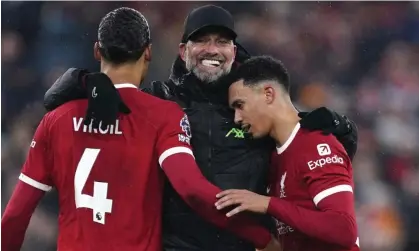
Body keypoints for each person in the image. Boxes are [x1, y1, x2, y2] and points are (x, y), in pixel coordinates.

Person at [42, 5, 358, 251]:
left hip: (246, 247)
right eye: (201, 40)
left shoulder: (253, 109)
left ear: (234, 51)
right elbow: (55, 100)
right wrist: (87, 81)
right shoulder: (157, 100)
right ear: (183, 50)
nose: (212, 49)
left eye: (222, 41)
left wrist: (341, 128)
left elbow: (314, 153)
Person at [1, 7, 281, 251]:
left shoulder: (56, 119)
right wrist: (259, 236)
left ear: (97, 50)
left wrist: (81, 81)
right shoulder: (162, 113)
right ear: (148, 52)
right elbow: (192, 191)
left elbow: (15, 215)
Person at [215, 56, 360, 251]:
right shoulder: (273, 157)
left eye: (240, 105)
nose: (237, 118)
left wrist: (268, 204)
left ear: (268, 94)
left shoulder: (317, 145)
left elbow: (343, 230)